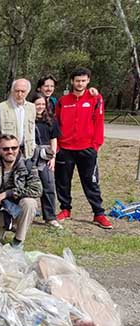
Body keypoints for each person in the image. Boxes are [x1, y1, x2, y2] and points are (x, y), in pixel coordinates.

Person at [54, 67, 112, 229]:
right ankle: (65, 209)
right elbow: (56, 123)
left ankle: (98, 213)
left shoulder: (95, 98)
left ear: (88, 81)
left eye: (83, 81)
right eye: (77, 81)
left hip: (87, 148)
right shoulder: (63, 101)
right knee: (63, 181)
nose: (80, 83)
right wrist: (58, 146)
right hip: (65, 149)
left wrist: (96, 145)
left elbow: (99, 122)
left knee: (91, 182)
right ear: (72, 81)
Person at [0, 134, 42, 249]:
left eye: (14, 148)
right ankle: (2, 228)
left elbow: (36, 190)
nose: (10, 151)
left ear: (19, 148)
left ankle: (18, 241)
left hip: (18, 212)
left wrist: (8, 193)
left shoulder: (28, 166)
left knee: (29, 203)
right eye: (6, 149)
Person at [31, 92, 62, 228]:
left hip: (45, 156)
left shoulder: (51, 119)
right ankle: (25, 214)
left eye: (43, 104)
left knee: (48, 185)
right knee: (28, 185)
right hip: (30, 154)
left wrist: (53, 157)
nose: (40, 107)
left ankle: (50, 217)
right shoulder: (27, 119)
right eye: (37, 104)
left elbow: (53, 139)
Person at [0, 78, 36, 159]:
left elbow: (32, 132)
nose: (19, 94)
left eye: (23, 91)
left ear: (28, 92)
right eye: (17, 91)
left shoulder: (32, 107)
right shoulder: (1, 107)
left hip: (27, 153)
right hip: (7, 153)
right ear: (12, 91)